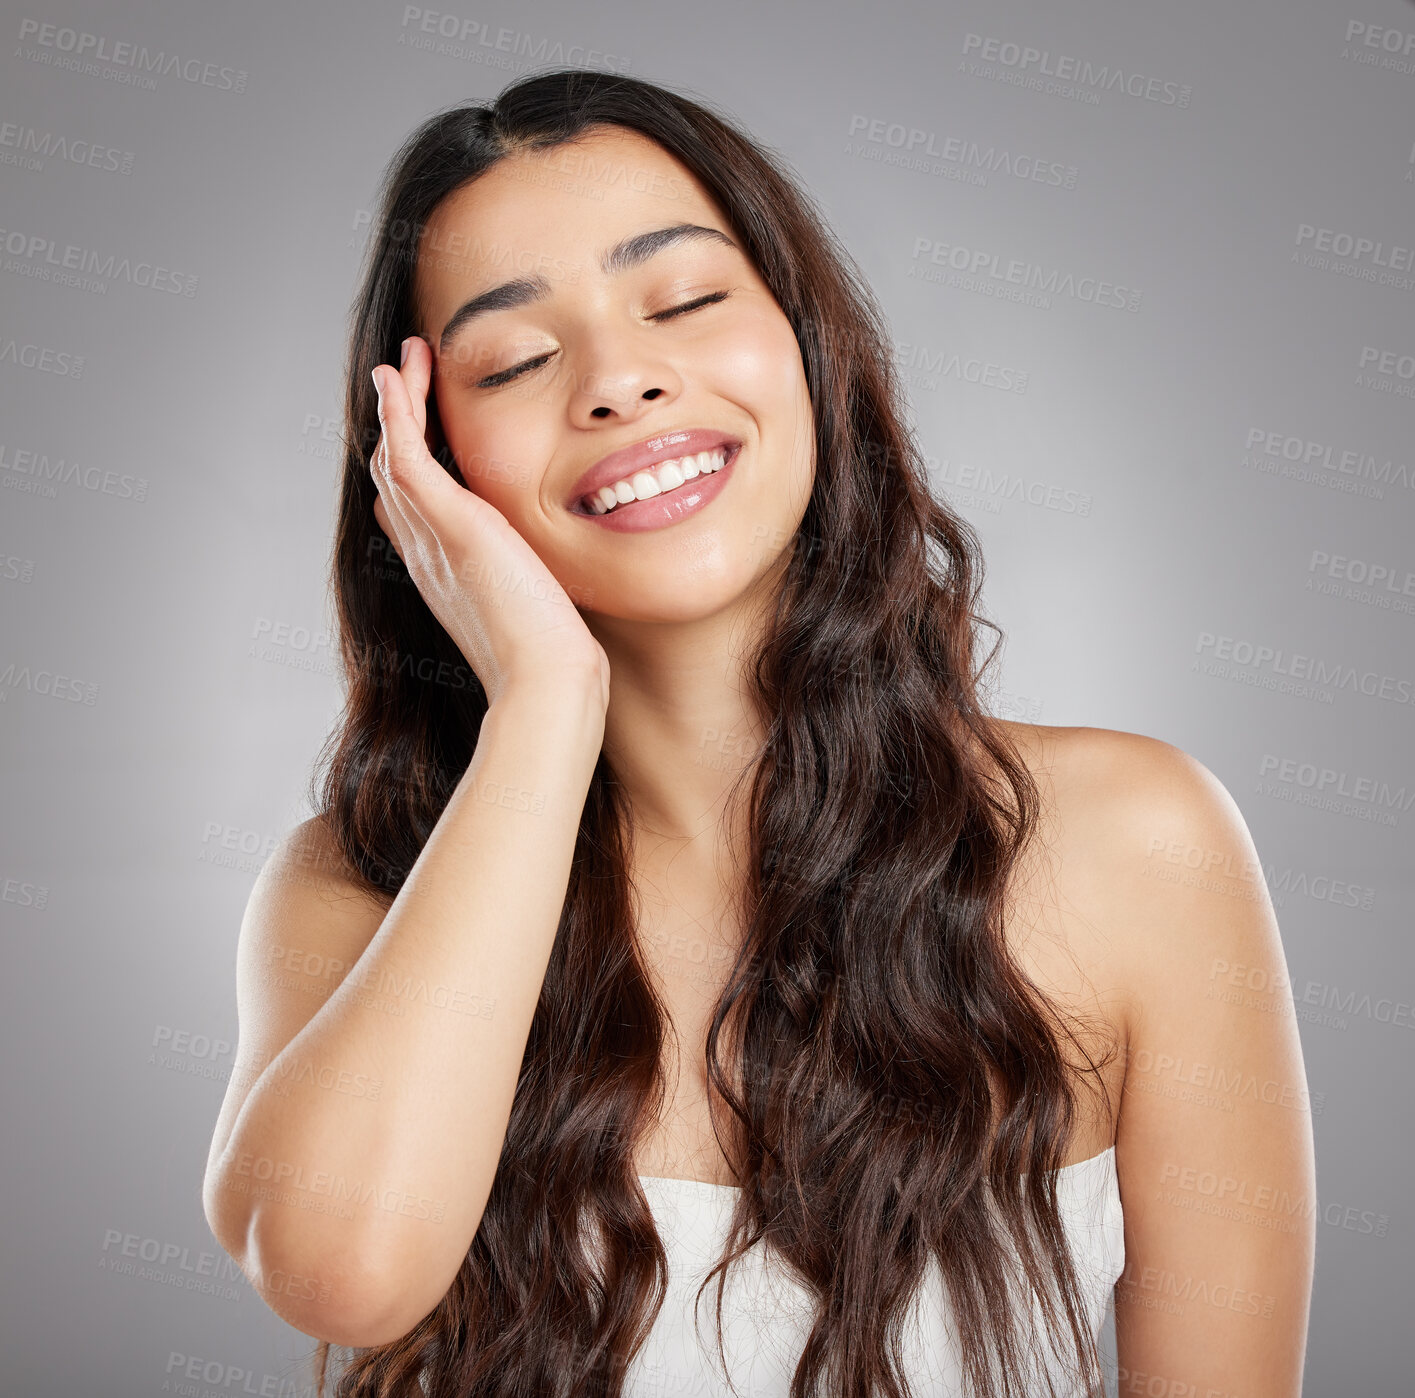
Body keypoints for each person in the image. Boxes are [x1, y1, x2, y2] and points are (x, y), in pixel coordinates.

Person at [201, 68, 1315, 1397]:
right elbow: (341, 1273)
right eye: (516, 358)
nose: (619, 380)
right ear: (423, 463)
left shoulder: (1139, 844)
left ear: (806, 344)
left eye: (681, 301)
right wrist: (545, 708)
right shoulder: (357, 886)